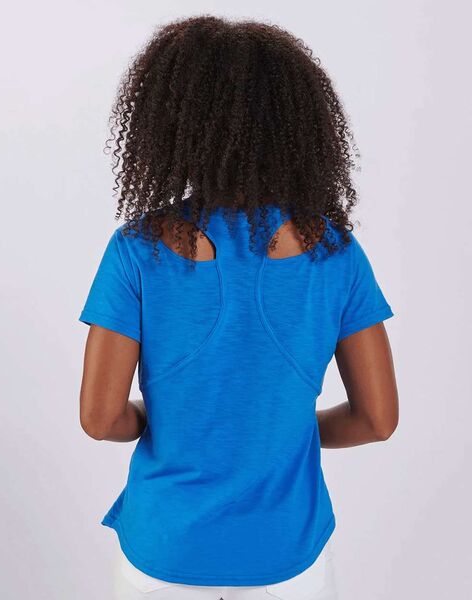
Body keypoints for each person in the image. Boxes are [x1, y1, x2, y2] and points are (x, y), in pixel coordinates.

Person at [78, 15, 399, 600]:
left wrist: (162, 419)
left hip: (165, 550)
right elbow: (377, 421)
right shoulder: (334, 253)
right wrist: (281, 431)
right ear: (298, 126)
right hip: (287, 553)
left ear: (169, 124)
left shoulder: (137, 251)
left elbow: (100, 419)